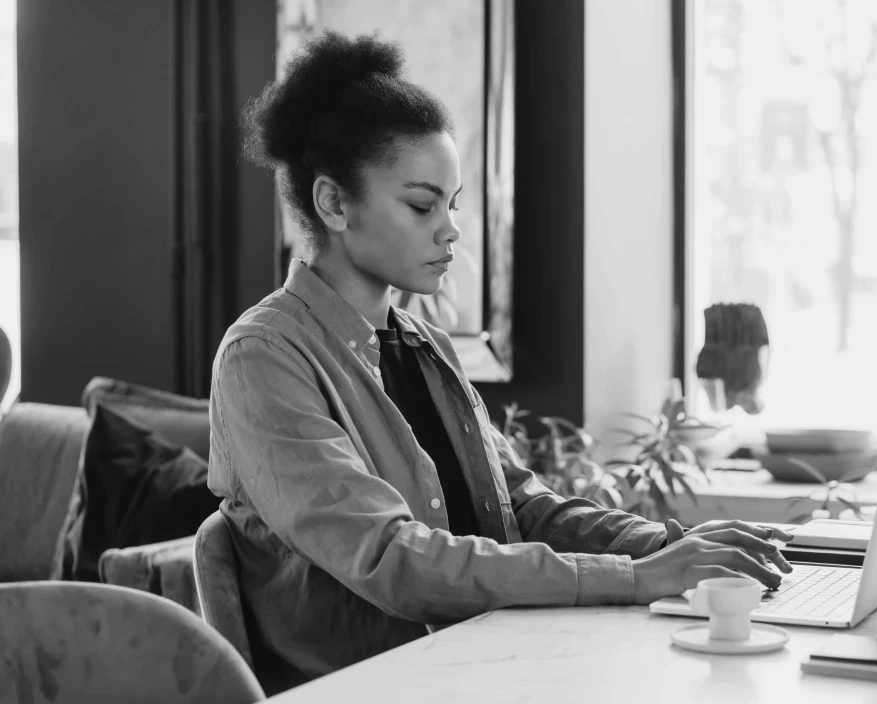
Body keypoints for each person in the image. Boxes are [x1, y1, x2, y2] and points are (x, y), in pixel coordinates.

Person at [211, 30, 793, 692]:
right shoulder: (262, 359)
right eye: (422, 204)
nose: (451, 229)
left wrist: (663, 546)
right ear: (334, 203)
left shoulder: (422, 345)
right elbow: (392, 559)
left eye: (452, 205)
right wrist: (635, 579)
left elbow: (519, 506)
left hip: (475, 668)